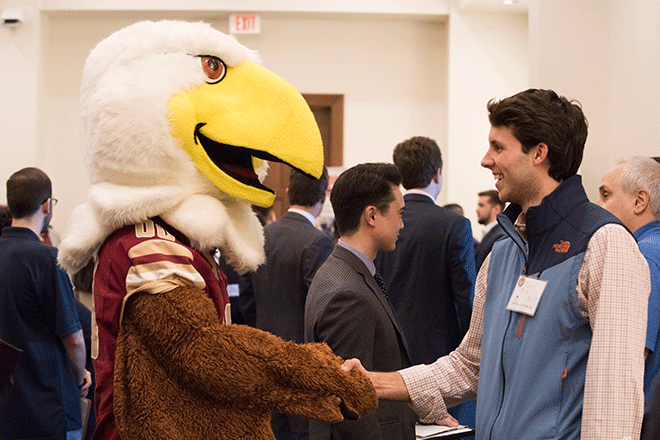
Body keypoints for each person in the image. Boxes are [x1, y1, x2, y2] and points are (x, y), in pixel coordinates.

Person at [343, 89, 651, 439]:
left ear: (539, 153)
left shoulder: (606, 245)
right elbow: (469, 365)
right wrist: (375, 383)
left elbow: (614, 405)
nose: (486, 160)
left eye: (498, 147)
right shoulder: (504, 252)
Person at [305, 163, 415, 440]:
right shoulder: (347, 293)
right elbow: (352, 408)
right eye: (399, 213)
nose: (402, 224)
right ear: (372, 215)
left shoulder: (344, 271)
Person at [373, 136, 475, 429]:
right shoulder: (455, 225)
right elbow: (467, 298)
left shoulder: (380, 221)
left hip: (388, 356)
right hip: (441, 358)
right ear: (437, 174)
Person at [239, 167, 333, 440]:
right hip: (304, 365)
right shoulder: (318, 242)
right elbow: (322, 309)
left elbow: (247, 298)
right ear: (323, 197)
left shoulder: (261, 236)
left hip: (265, 357)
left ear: (289, 193)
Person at [0, 167, 92, 440]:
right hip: (47, 409)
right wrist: (80, 376)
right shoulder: (47, 259)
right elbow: (73, 338)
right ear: (46, 205)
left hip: (7, 408)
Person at [596, 157, 660, 404]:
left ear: (639, 201)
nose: (597, 205)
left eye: (606, 195)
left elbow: (630, 360)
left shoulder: (642, 255)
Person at [474, 189, 505, 270]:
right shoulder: (491, 233)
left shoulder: (500, 236)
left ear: (496, 209)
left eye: (481, 205)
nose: (477, 210)